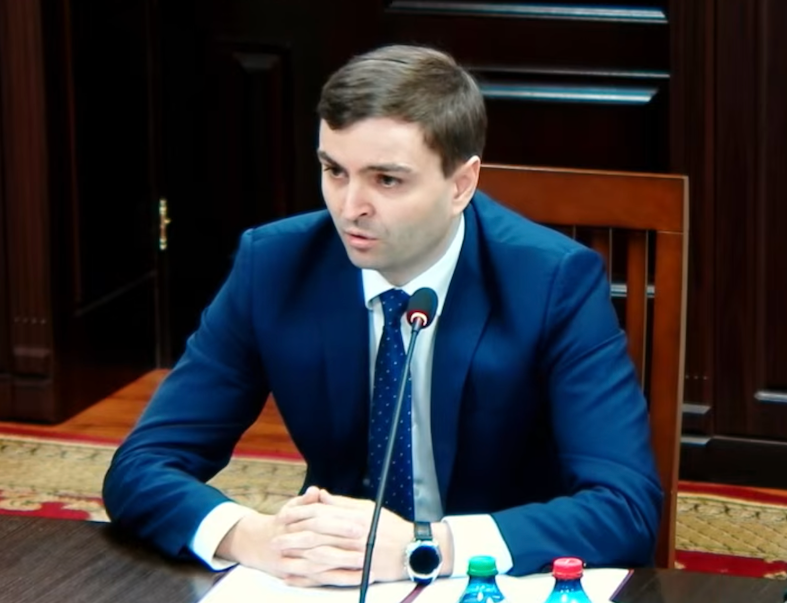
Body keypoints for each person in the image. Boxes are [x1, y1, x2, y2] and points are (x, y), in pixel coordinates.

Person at [103, 43, 662, 588]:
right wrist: (253, 537)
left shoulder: (553, 282)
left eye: (386, 180)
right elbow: (141, 466)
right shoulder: (274, 265)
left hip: (492, 581)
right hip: (334, 582)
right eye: (334, 170)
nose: (350, 208)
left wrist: (428, 546)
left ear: (461, 185)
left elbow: (625, 508)